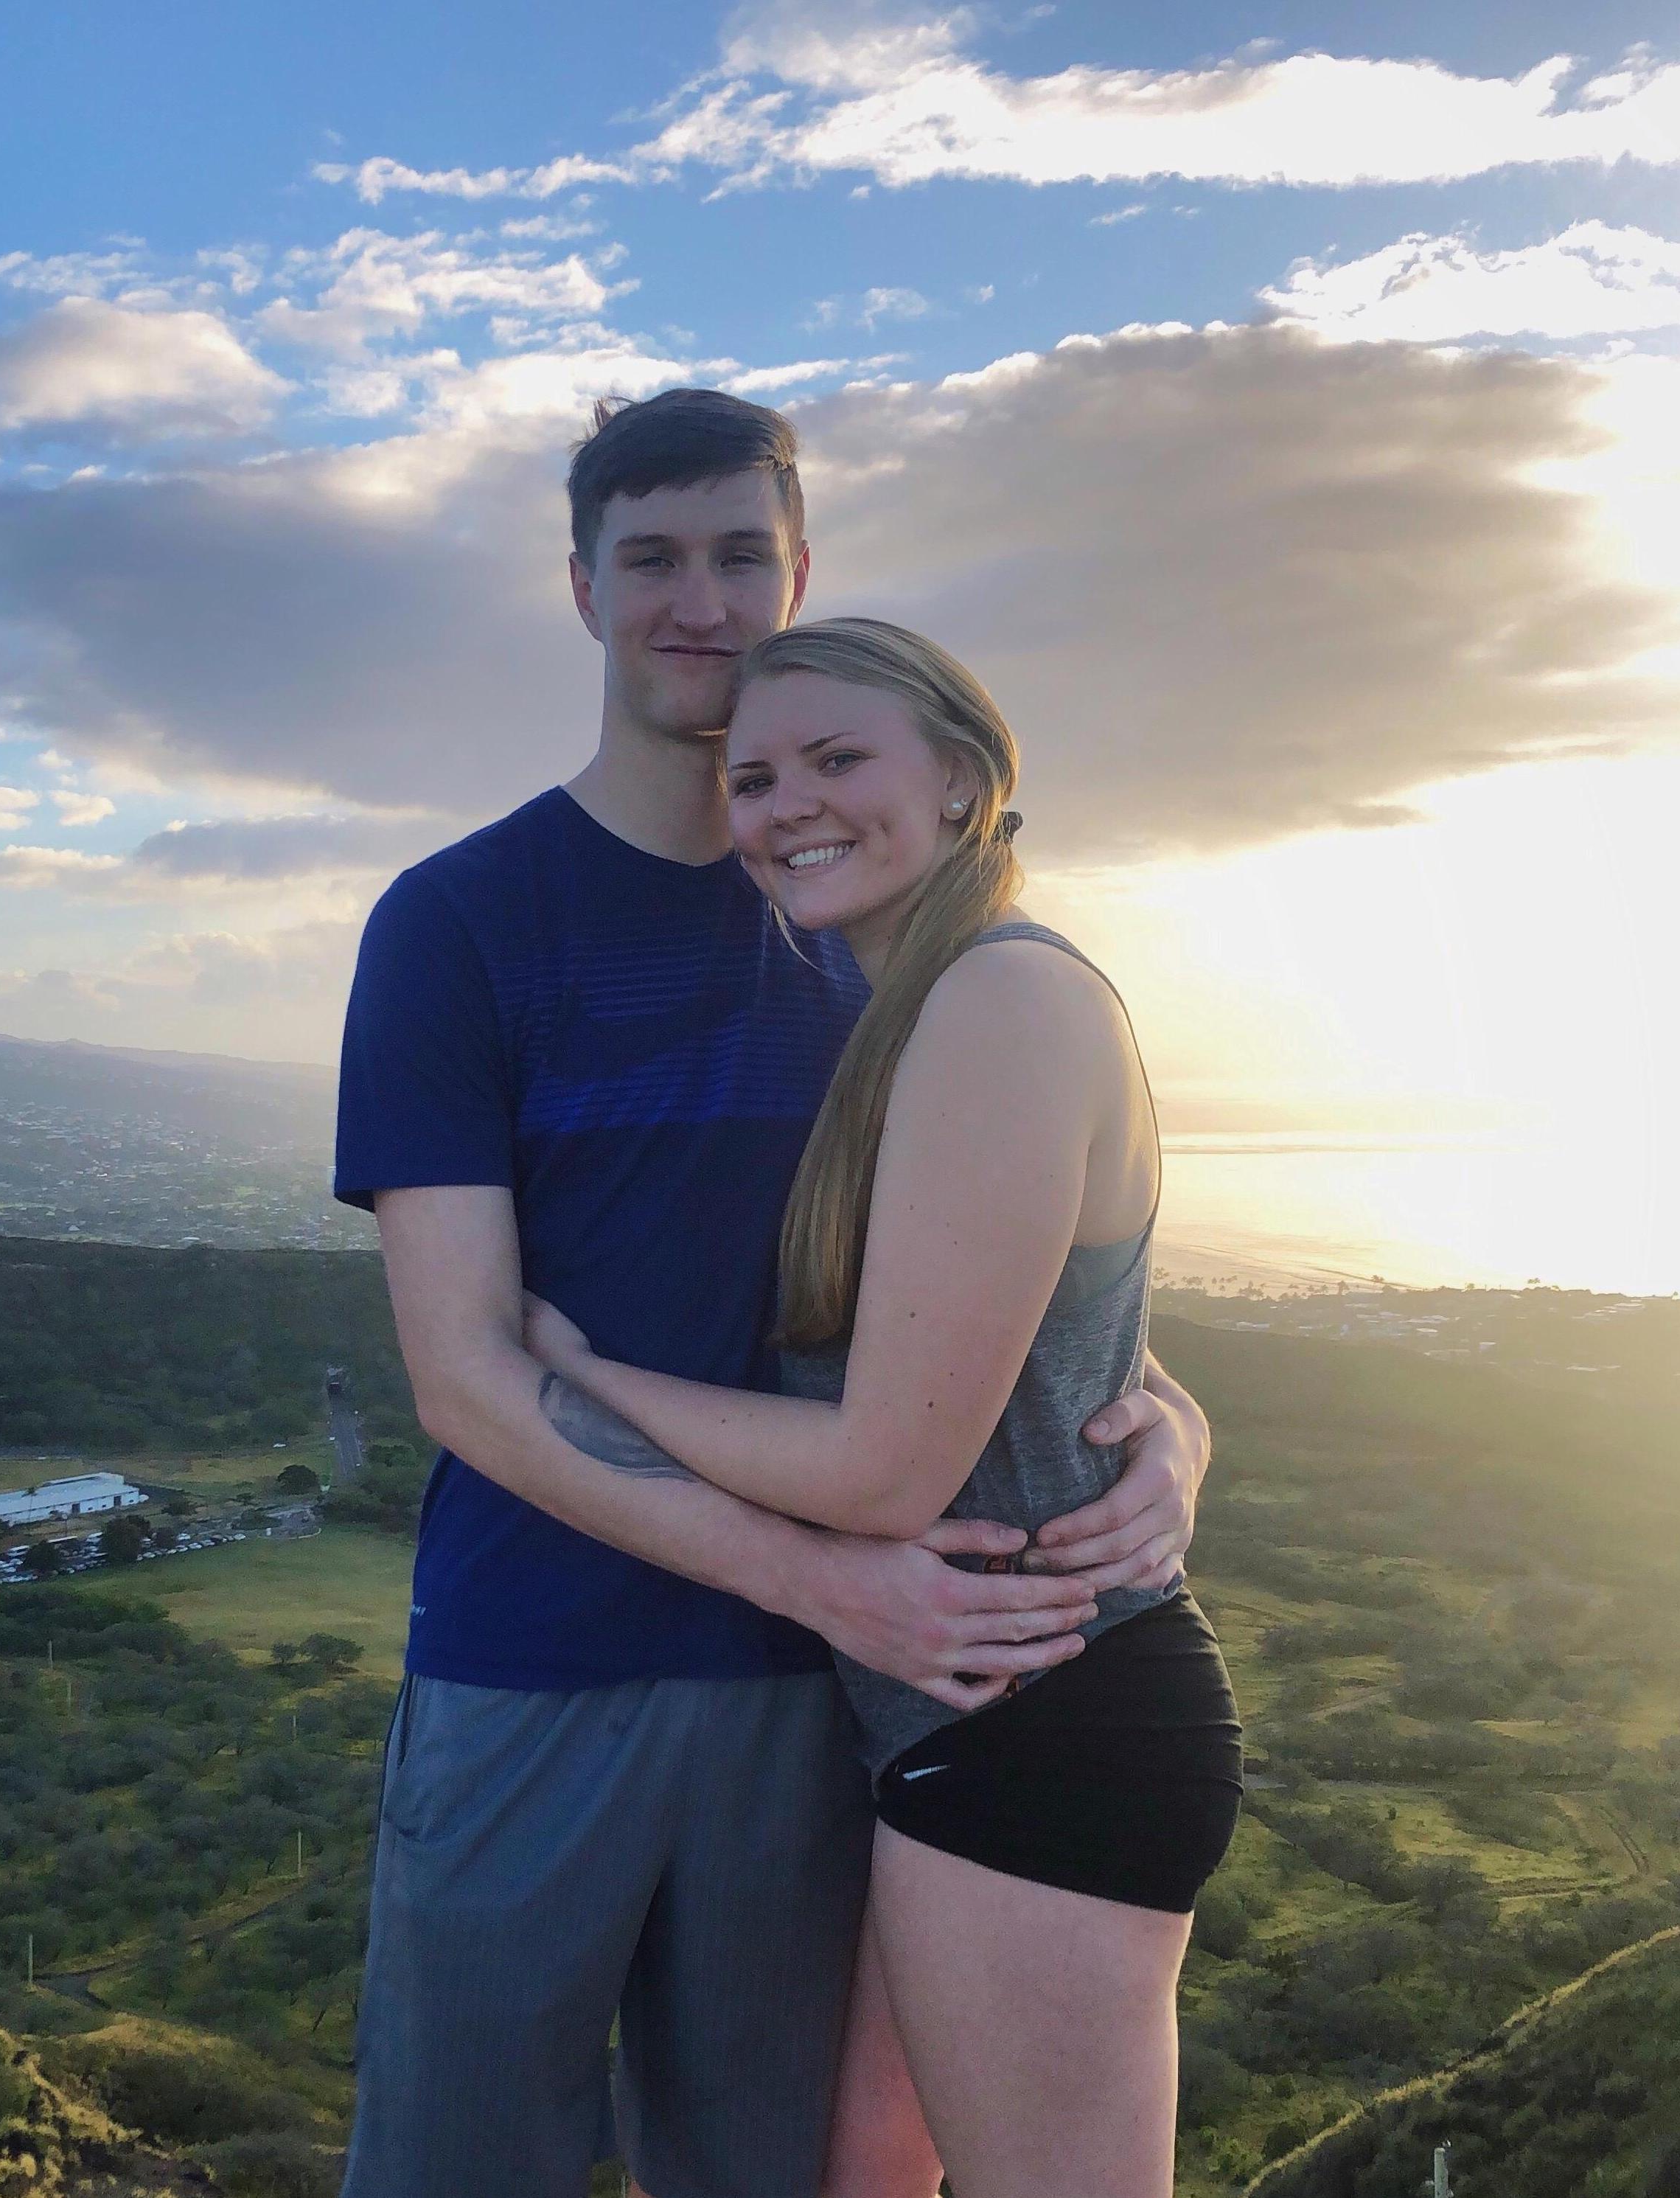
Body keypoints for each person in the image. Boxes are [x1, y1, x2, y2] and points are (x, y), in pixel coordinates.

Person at [332, 389, 1212, 2198]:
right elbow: (465, 1379)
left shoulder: (877, 948)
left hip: (822, 1705)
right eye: (649, 558)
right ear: (581, 587)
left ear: (798, 573)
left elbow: (1014, 1311)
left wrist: (1176, 1431)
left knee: (772, 2174)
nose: (698, 600)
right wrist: (823, 1576)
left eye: (741, 554)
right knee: (457, 2165)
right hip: (544, 1664)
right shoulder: (459, 921)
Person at [523, 616, 1244, 2198]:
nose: (789, 805)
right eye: (760, 774)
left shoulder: (995, 1002)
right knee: (860, 2175)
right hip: (982, 1720)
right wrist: (1182, 1424)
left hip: (1042, 1723)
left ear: (968, 782)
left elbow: (885, 1470)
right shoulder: (925, 1006)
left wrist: (577, 1373)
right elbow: (1067, 1330)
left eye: (841, 760)